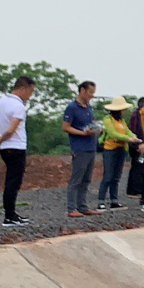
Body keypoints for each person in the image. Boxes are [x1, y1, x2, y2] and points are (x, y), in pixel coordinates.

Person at [0, 75, 36, 227]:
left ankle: (11, 213)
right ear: (23, 89)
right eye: (30, 91)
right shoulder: (18, 106)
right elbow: (11, 130)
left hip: (5, 148)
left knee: (11, 180)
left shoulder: (0, 103)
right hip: (16, 146)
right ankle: (9, 216)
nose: (30, 96)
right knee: (13, 182)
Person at [60, 80, 102, 219]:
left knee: (86, 179)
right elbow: (66, 127)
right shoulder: (72, 108)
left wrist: (96, 127)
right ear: (82, 90)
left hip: (91, 147)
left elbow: (90, 123)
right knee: (76, 179)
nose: (92, 95)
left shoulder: (88, 107)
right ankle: (71, 208)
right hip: (80, 148)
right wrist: (83, 133)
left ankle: (82, 206)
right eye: (90, 92)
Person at [96, 96, 140, 211]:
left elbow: (128, 131)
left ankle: (114, 201)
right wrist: (128, 139)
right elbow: (113, 134)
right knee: (108, 176)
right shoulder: (108, 119)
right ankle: (100, 201)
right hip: (110, 150)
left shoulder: (121, 121)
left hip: (121, 149)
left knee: (116, 177)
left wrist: (134, 137)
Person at [125, 96, 144, 200]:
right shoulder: (138, 115)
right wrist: (140, 143)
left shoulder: (136, 114)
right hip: (137, 144)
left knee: (139, 167)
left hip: (137, 144)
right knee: (138, 168)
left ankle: (137, 189)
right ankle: (135, 190)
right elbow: (136, 130)